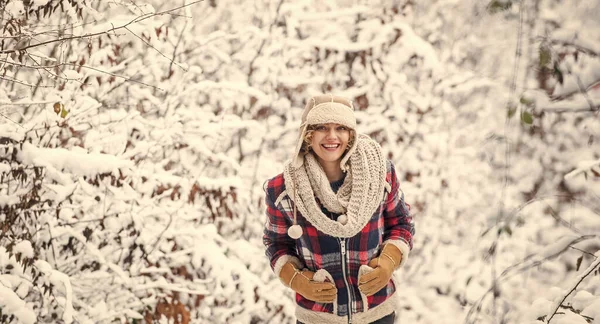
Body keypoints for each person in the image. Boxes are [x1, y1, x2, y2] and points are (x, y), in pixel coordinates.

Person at [263, 94, 415, 324]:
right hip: (317, 316)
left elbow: (401, 224)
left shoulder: (380, 174)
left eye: (341, 128)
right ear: (308, 135)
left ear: (351, 134)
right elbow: (276, 244)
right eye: (322, 127)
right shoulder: (283, 189)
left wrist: (388, 263)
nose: (332, 136)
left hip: (377, 312)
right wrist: (297, 280)